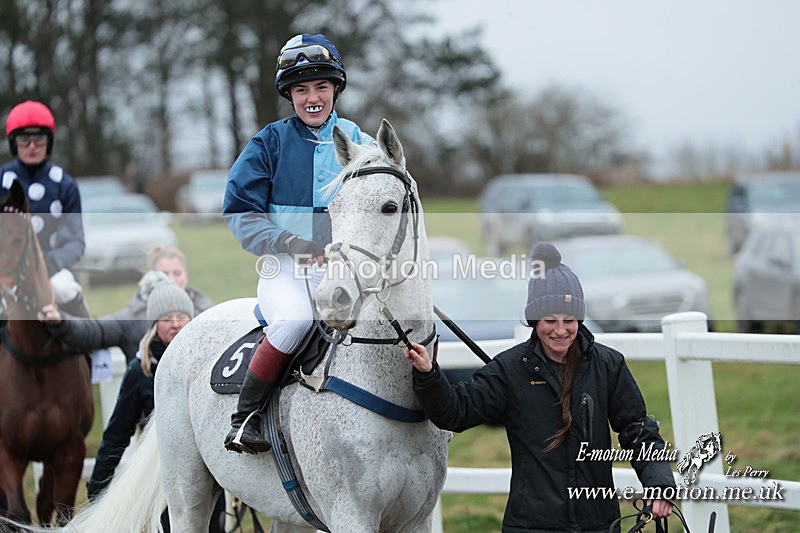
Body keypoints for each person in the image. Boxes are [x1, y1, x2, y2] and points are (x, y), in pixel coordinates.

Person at [404, 242, 676, 532]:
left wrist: (658, 482)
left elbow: (637, 428)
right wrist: (429, 374)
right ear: (535, 320)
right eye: (550, 321)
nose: (560, 330)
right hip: (531, 525)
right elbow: (456, 412)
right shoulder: (510, 369)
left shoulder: (608, 365)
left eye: (569, 320)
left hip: (598, 525)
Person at [222, 33, 372, 454]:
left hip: (345, 270)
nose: (312, 97)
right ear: (289, 94)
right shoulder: (267, 144)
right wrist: (288, 241)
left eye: (321, 86)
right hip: (285, 269)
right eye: (301, 89)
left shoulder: (362, 144)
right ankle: (244, 418)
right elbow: (239, 212)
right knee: (294, 321)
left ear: (336, 89)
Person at [38, 281, 223, 532]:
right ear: (154, 324)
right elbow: (118, 433)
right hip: (160, 480)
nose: (176, 324)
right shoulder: (140, 371)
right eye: (167, 318)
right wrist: (98, 488)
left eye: (182, 316)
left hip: (208, 471)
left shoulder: (208, 364)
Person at [1, 100, 88, 317]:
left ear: (49, 142)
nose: (32, 146)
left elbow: (76, 242)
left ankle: (95, 348)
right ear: (13, 143)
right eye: (24, 139)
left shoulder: (64, 185)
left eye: (39, 138)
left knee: (65, 290)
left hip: (50, 269)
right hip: (6, 269)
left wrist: (46, 266)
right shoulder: (1, 181)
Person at [93, 245, 213, 362]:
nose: (171, 280)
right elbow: (91, 332)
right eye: (164, 274)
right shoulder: (131, 318)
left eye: (177, 273)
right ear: (151, 276)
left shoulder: (208, 313)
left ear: (186, 275)